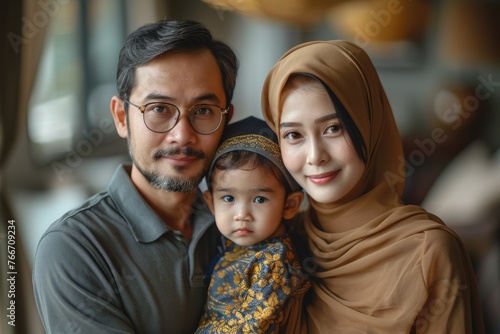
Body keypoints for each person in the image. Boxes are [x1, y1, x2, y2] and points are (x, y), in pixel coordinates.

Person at [261, 40, 485, 333]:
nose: (315, 156)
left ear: (369, 125)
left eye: (333, 128)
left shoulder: (429, 253)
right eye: (293, 135)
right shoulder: (279, 243)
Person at [32, 19, 238, 333]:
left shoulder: (242, 218)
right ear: (120, 117)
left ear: (227, 119)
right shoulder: (74, 247)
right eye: (159, 109)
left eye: (203, 111)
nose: (181, 135)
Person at [196, 116, 311, 333]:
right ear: (211, 203)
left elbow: (252, 327)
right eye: (228, 198)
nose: (241, 215)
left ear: (290, 205)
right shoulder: (230, 244)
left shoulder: (274, 260)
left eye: (259, 199)